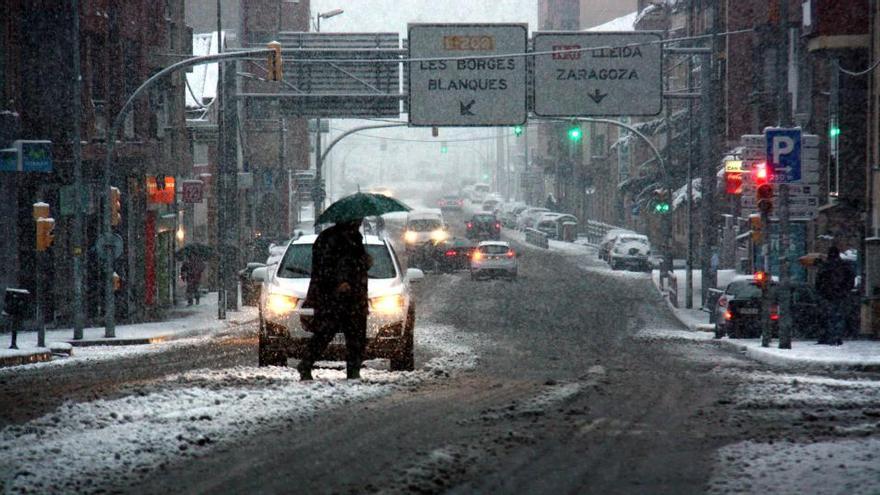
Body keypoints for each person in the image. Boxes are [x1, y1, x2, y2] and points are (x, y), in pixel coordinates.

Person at [297, 219, 372, 380]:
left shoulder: (355, 237)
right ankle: (306, 364)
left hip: (355, 296)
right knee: (325, 333)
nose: (360, 222)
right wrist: (339, 281)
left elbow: (354, 263)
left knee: (356, 335)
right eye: (357, 219)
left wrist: (365, 261)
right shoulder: (329, 238)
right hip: (331, 297)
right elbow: (324, 266)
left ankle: (353, 371)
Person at [815, 246, 855, 345]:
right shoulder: (845, 265)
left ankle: (828, 336)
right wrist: (845, 291)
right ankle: (837, 337)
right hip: (840, 295)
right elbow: (851, 280)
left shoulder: (825, 266)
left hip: (827, 296)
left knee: (827, 316)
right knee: (838, 316)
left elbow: (818, 281)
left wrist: (822, 291)